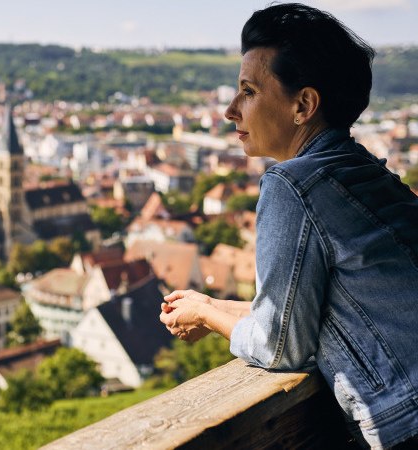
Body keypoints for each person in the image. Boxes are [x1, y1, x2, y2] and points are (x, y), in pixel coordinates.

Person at [159, 3, 418, 448]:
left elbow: (281, 347)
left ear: (303, 105)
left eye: (248, 92)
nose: (229, 111)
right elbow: (306, 314)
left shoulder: (291, 184)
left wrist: (204, 314)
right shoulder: (363, 172)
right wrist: (212, 303)